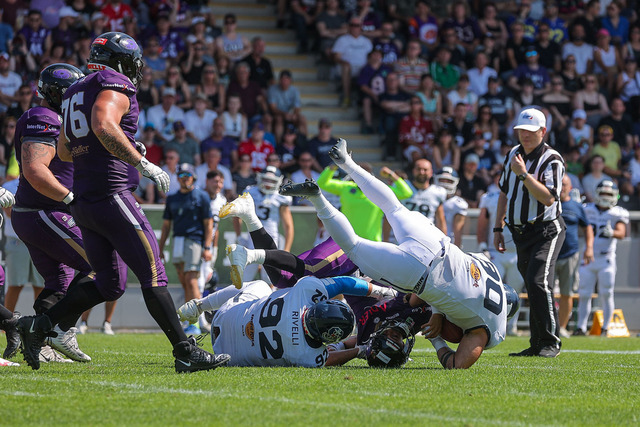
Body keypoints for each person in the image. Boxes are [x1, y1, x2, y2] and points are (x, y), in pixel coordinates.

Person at [16, 32, 230, 373]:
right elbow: (103, 124)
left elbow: (66, 150)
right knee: (154, 273)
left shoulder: (74, 90)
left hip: (85, 201)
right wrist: (141, 162)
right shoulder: (111, 82)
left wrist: (125, 146)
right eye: (133, 62)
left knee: (110, 282)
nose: (136, 69)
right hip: (112, 193)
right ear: (119, 62)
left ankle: (39, 326)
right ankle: (185, 350)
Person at [280, 138, 519, 369]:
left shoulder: (489, 269)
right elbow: (458, 364)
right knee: (352, 246)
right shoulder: (492, 327)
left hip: (436, 240)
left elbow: (460, 279)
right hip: (419, 274)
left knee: (393, 206)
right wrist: (438, 340)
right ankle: (317, 198)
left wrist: (438, 311)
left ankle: (347, 161)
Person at [11, 63, 95, 363]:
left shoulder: (59, 119)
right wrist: (69, 198)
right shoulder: (43, 117)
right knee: (101, 264)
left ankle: (39, 341)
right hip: (44, 210)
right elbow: (35, 169)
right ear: (60, 94)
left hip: (39, 212)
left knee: (59, 282)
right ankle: (58, 329)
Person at [494, 107, 565, 358]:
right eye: (521, 130)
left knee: (538, 282)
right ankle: (537, 343)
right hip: (519, 232)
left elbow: (548, 198)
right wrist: (498, 227)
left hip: (546, 230)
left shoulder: (552, 159)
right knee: (532, 285)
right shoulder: (513, 154)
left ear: (543, 131)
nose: (525, 135)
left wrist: (524, 175)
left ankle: (551, 342)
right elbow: (504, 193)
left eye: (531, 131)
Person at [158, 163, 213, 335]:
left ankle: (195, 322)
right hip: (178, 240)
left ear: (193, 177)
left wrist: (207, 247)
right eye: (181, 175)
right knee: (184, 281)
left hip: (194, 240)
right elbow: (166, 225)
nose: (185, 178)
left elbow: (209, 224)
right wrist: (160, 248)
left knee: (191, 280)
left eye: (187, 175)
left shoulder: (201, 196)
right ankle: (190, 319)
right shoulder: (172, 198)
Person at [575, 180, 628, 337]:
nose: (605, 196)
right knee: (584, 293)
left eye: (608, 194)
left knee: (606, 293)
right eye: (603, 193)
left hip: (606, 259)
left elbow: (622, 233)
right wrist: (576, 207)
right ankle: (581, 327)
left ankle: (605, 328)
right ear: (597, 194)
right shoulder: (587, 209)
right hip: (588, 257)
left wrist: (612, 233)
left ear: (615, 196)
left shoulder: (618, 213)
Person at [226, 166, 293, 284]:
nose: (268, 183)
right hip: (252, 241)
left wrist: (286, 250)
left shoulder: (281, 197)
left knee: (271, 281)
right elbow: (236, 215)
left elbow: (288, 226)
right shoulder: (251, 192)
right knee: (243, 279)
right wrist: (239, 236)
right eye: (266, 179)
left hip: (271, 242)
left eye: (271, 180)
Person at [318, 163, 412, 242]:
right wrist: (334, 166)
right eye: (358, 175)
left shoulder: (379, 190)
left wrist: (391, 174)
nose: (362, 178)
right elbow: (322, 183)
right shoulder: (346, 187)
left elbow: (406, 193)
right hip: (348, 241)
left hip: (372, 243)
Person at [477, 185, 525, 336]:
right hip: (495, 251)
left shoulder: (524, 195)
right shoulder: (490, 198)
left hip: (517, 252)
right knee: (490, 290)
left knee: (516, 291)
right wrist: (482, 245)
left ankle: (511, 326)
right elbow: (482, 223)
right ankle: (488, 324)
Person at [556, 175, 594, 338]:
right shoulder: (548, 203)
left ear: (570, 188)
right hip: (549, 255)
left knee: (567, 293)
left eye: (565, 184)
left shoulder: (576, 206)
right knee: (544, 293)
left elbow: (587, 228)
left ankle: (562, 327)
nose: (562, 187)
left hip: (570, 255)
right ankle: (546, 327)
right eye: (559, 184)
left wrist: (589, 248)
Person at [399, 159, 446, 234]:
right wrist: (386, 239)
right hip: (403, 234)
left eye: (425, 170)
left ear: (431, 172)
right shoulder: (403, 187)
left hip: (427, 235)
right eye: (419, 169)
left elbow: (441, 220)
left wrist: (444, 239)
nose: (422, 172)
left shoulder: (437, 192)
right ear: (413, 171)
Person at [435, 167, 468, 248]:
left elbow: (458, 232)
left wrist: (456, 250)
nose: (445, 183)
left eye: (449, 181)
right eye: (442, 180)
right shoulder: (429, 197)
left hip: (448, 244)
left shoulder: (458, 204)